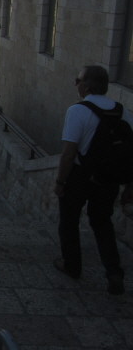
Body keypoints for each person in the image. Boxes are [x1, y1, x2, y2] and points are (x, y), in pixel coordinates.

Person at [53, 65, 133, 295]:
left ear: (87, 86)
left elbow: (69, 153)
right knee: (102, 223)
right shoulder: (123, 112)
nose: (75, 84)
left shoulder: (77, 111)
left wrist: (60, 182)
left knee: (69, 221)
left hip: (80, 176)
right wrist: (129, 185)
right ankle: (114, 272)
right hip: (109, 179)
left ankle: (72, 265)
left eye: (77, 80)